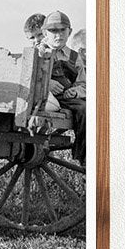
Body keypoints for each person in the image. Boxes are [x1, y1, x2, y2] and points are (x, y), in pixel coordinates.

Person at [39, 11, 86, 162]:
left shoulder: (74, 57)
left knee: (86, 109)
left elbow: (83, 84)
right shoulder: (39, 52)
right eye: (53, 31)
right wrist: (47, 84)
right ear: (45, 32)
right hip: (44, 96)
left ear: (69, 32)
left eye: (62, 30)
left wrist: (75, 91)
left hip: (66, 98)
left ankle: (83, 154)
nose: (58, 35)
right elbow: (28, 78)